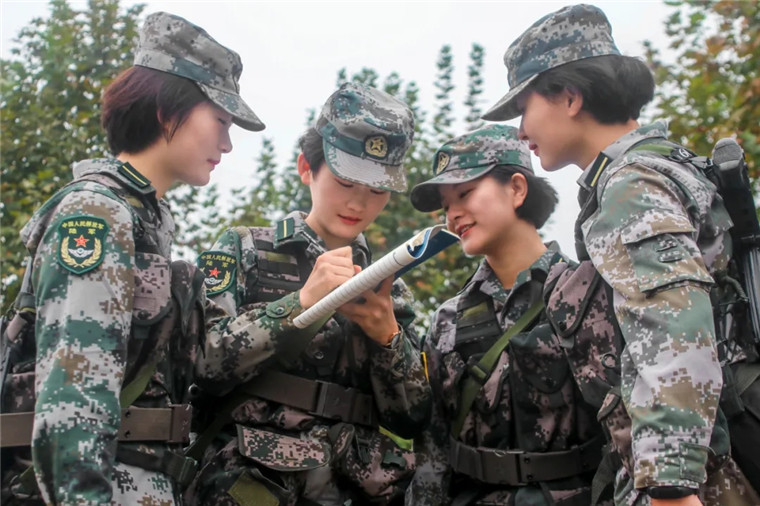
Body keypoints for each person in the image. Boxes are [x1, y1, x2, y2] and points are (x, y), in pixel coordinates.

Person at [481, 4, 759, 505]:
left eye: (524, 108)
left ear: (569, 96)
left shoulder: (631, 185)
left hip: (704, 472)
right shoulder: (663, 167)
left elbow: (671, 324)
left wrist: (670, 485)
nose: (520, 131)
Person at [0, 11, 263, 505]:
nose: (227, 144)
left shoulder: (143, 221)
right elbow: (72, 403)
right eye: (221, 121)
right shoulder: (99, 213)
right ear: (168, 111)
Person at [188, 82, 432, 506]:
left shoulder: (390, 285)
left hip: (352, 489)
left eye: (377, 191)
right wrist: (299, 303)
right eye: (345, 182)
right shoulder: (246, 249)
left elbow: (411, 417)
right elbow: (204, 362)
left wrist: (388, 337)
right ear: (307, 168)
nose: (359, 203)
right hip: (251, 487)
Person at [404, 124, 605, 505]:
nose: (452, 215)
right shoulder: (448, 319)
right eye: (446, 206)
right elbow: (432, 449)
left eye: (465, 193)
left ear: (516, 188)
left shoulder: (584, 292)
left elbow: (624, 428)